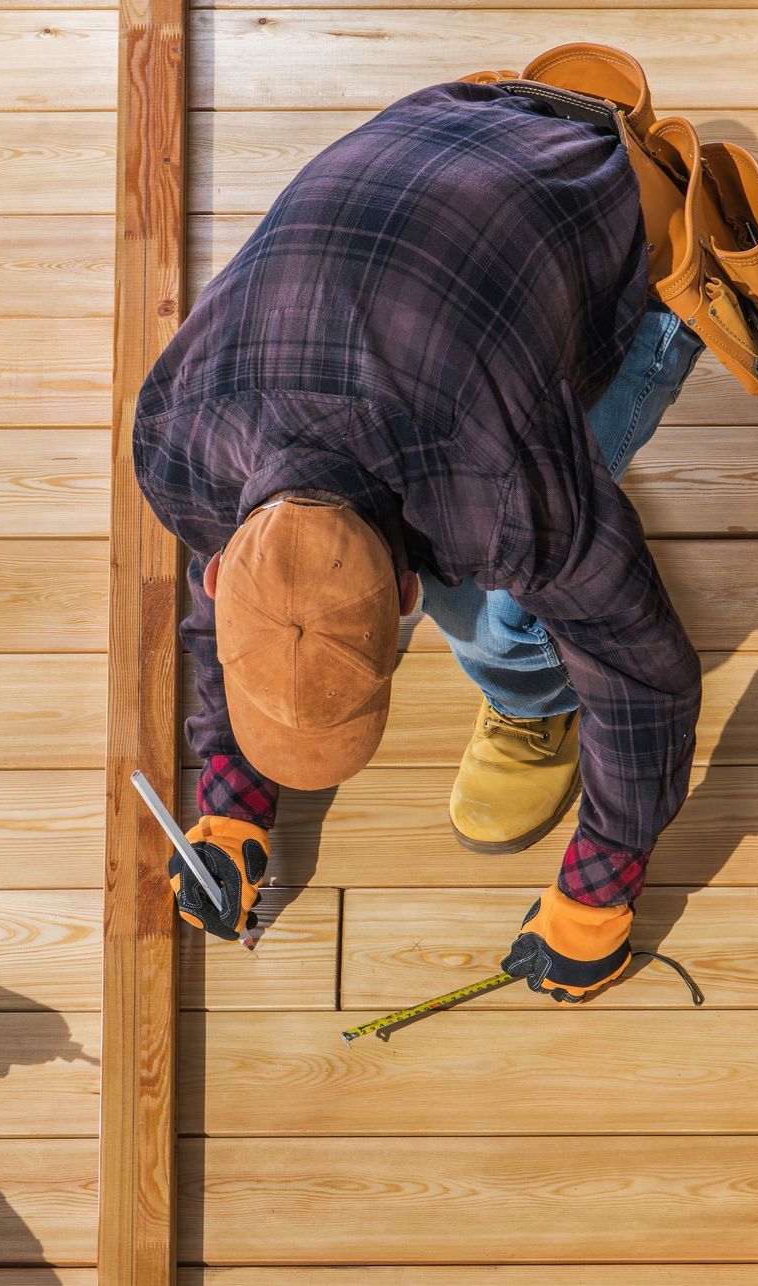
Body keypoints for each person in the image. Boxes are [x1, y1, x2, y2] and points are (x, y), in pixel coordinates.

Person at [132, 77, 709, 1003]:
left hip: (621, 205)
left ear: (402, 600)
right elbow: (232, 604)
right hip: (442, 129)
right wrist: (229, 799)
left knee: (496, 615)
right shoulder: (177, 444)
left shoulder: (492, 487)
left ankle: (533, 706)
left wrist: (602, 887)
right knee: (507, 553)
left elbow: (645, 672)